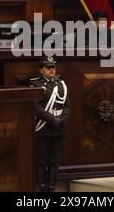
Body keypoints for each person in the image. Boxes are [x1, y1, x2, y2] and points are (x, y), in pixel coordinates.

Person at [29, 56, 70, 192]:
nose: (52, 70)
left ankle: (52, 187)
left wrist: (61, 119)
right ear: (41, 70)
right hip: (43, 127)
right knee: (41, 160)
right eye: (48, 67)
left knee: (54, 160)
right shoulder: (35, 84)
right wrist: (52, 119)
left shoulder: (61, 84)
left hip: (59, 128)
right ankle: (41, 188)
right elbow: (35, 106)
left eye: (53, 67)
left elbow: (67, 106)